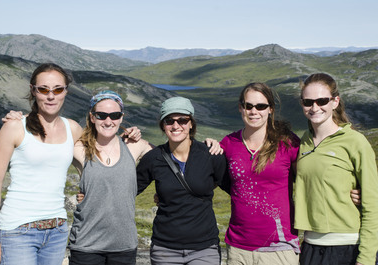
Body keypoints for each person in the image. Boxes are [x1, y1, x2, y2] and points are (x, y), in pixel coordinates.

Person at [0, 63, 83, 265]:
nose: (51, 96)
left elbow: (96, 162)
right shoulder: (14, 127)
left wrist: (130, 137)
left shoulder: (72, 128)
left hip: (57, 231)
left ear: (66, 92)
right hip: (17, 231)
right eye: (44, 89)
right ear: (33, 91)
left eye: (58, 89)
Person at [294, 73, 378, 265]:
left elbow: (373, 205)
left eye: (322, 100)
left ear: (335, 101)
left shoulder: (355, 142)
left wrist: (365, 258)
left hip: (347, 247)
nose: (315, 107)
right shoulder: (303, 142)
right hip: (310, 247)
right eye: (308, 102)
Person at [136, 96, 227, 265]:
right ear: (163, 125)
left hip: (205, 249)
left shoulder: (209, 155)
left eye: (183, 120)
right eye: (169, 120)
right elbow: (128, 189)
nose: (176, 126)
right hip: (165, 249)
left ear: (191, 123)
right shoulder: (153, 158)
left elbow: (235, 189)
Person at [68, 90, 153, 265]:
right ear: (92, 117)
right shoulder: (79, 148)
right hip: (86, 245)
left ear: (121, 117)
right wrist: (19, 119)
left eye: (114, 115)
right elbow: (45, 139)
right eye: (101, 115)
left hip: (124, 246)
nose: (108, 121)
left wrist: (210, 145)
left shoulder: (134, 147)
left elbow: (172, 156)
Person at [219, 82, 300, 265]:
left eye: (261, 106)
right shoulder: (229, 143)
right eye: (249, 106)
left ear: (270, 109)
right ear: (241, 108)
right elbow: (204, 176)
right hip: (238, 248)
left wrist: (348, 190)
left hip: (280, 246)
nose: (254, 111)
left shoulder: (288, 143)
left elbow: (311, 178)